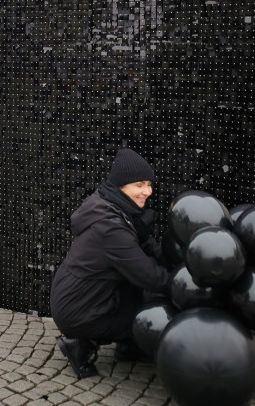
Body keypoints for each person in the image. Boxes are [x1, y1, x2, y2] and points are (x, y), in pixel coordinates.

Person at [50, 148, 171, 379]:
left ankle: (128, 348)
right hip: (78, 309)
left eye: (148, 184)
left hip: (82, 294)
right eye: (139, 185)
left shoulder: (112, 205)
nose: (147, 191)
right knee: (146, 311)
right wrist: (184, 285)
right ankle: (80, 345)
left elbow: (147, 246)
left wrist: (173, 257)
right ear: (121, 186)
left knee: (139, 293)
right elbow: (150, 276)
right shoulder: (110, 227)